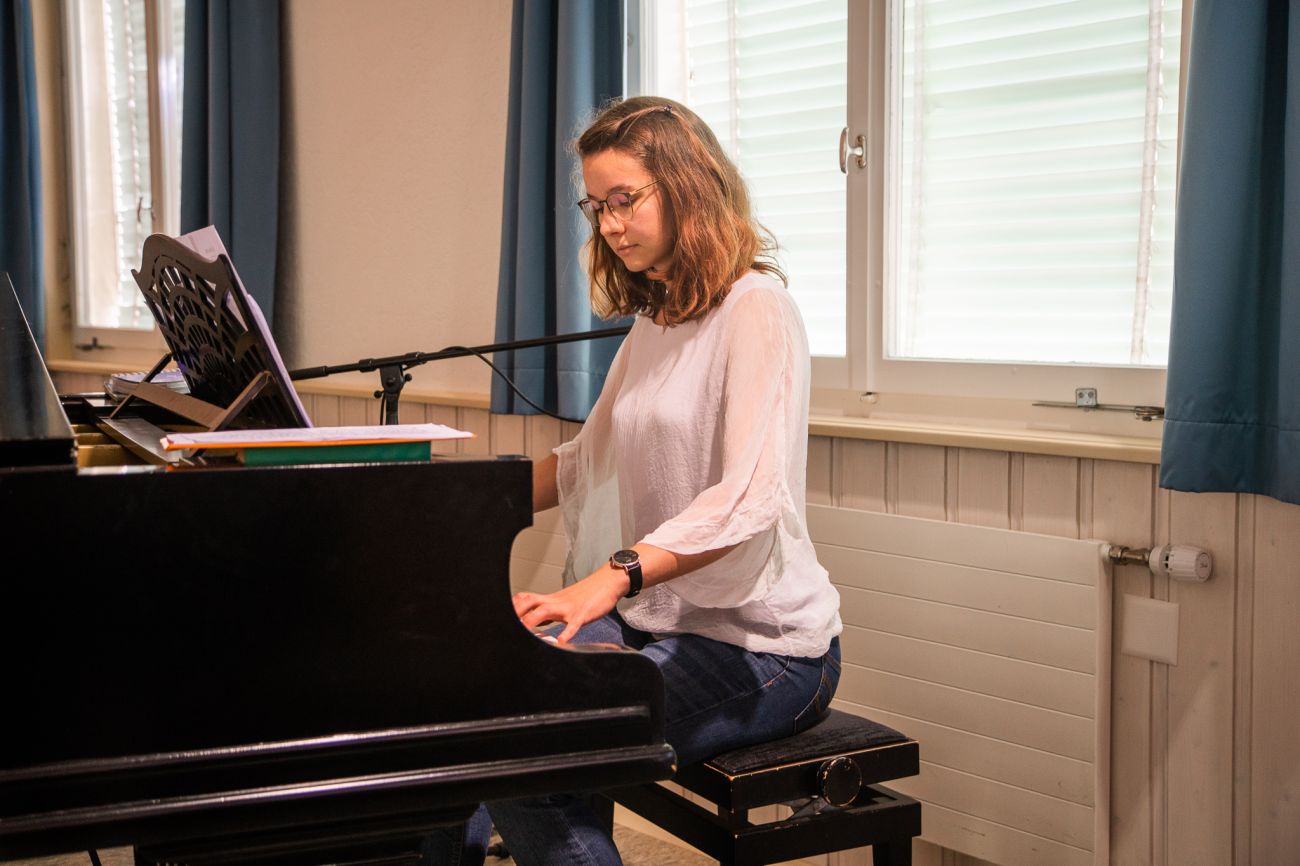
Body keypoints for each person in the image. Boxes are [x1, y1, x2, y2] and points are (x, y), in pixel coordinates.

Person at [431, 95, 842, 866]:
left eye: (625, 200)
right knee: (472, 698)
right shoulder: (658, 318)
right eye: (597, 207)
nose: (610, 225)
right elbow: (586, 459)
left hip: (764, 649)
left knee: (533, 757)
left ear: (687, 187)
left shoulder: (758, 310)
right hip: (658, 619)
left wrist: (611, 578)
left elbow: (748, 499)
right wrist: (451, 508)